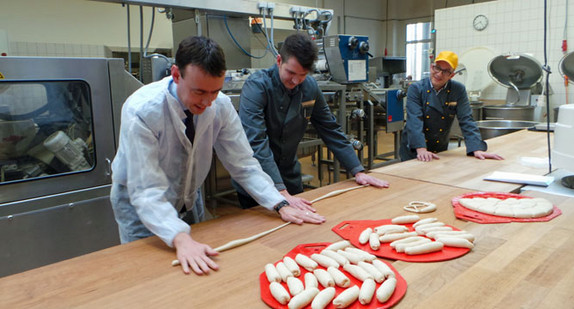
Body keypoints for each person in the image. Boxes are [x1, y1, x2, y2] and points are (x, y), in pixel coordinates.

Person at [110, 36, 325, 276]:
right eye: (199, 91)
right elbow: (145, 189)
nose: (207, 101)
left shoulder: (219, 105)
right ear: (176, 74)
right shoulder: (142, 110)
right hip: (141, 207)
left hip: (187, 197)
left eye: (215, 91)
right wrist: (180, 238)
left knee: (196, 272)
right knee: (149, 278)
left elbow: (243, 163)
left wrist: (278, 203)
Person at [233, 33, 389, 210]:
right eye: (290, 72)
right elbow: (256, 141)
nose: (295, 80)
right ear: (278, 61)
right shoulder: (257, 86)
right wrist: (279, 191)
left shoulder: (310, 88)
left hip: (290, 177)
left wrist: (357, 170)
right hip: (259, 181)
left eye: (302, 75)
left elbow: (330, 129)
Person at [399, 50, 504, 162]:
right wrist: (421, 149)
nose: (439, 74)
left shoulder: (458, 90)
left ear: (452, 75)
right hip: (415, 149)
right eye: (437, 68)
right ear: (431, 67)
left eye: (446, 71)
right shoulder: (416, 89)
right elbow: (414, 120)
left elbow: (466, 119)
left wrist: (476, 148)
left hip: (440, 148)